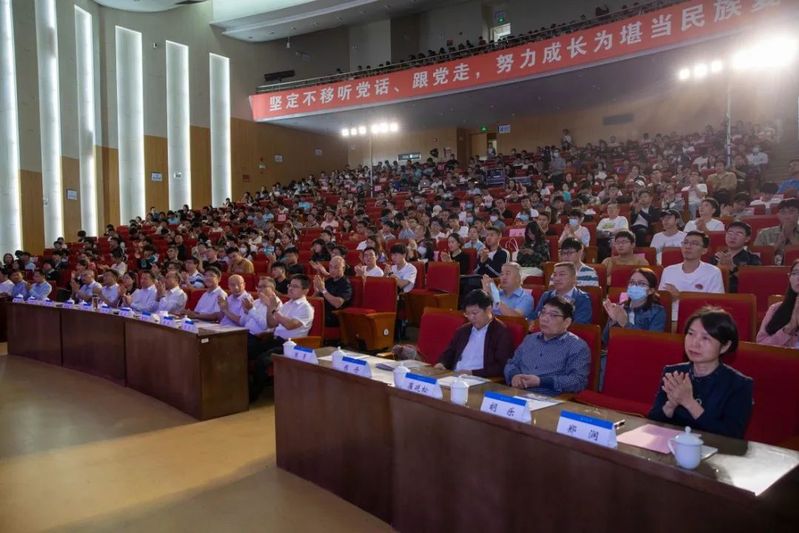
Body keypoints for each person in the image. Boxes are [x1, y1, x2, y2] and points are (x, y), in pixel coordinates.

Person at [648, 307, 753, 439]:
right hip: (671, 446)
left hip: (713, 450)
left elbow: (732, 436)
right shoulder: (674, 373)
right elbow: (652, 422)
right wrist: (670, 406)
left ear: (725, 346)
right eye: (691, 334)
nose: (695, 343)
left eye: (705, 338)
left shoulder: (739, 385)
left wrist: (690, 403)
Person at [504, 296, 591, 396]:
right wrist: (514, 375)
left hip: (548, 399)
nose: (544, 319)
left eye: (553, 315)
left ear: (566, 322)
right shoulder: (530, 339)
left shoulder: (577, 346)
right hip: (517, 393)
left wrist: (540, 381)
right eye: (543, 313)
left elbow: (578, 381)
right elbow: (512, 364)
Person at [250, 274, 315, 402]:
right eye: (290, 285)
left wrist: (274, 310)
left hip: (291, 345)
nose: (290, 288)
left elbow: (290, 325)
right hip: (275, 340)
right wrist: (270, 308)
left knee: (262, 361)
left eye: (295, 286)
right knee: (247, 350)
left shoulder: (306, 308)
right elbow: (271, 324)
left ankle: (253, 395)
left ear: (305, 291)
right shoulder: (287, 304)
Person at [434, 289, 515, 378]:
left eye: (474, 313)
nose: (471, 318)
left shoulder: (500, 333)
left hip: (479, 379)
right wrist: (442, 363)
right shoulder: (463, 331)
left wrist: (473, 373)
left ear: (488, 309)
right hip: (455, 377)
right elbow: (449, 353)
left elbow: (501, 366)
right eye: (467, 314)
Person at [659, 231, 725, 322]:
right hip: (671, 319)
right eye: (685, 242)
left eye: (694, 243)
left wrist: (680, 296)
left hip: (701, 320)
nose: (688, 246)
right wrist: (668, 298)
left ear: (704, 250)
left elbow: (716, 305)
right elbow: (661, 300)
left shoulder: (713, 272)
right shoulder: (668, 271)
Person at [602, 268, 666, 345]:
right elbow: (605, 341)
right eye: (632, 282)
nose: (635, 286)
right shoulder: (620, 307)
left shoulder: (658, 312)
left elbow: (652, 343)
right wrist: (613, 322)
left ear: (650, 291)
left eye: (641, 283)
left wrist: (626, 324)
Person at [757, 259, 799, 347]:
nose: (798, 278)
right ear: (789, 278)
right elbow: (761, 345)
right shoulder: (775, 309)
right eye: (795, 273)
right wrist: (788, 328)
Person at [709, 221, 761, 291]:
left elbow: (753, 281)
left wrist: (733, 267)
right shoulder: (717, 256)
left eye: (739, 234)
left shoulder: (753, 258)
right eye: (730, 233)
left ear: (747, 239)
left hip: (740, 294)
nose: (733, 237)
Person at [754, 198, 799, 265]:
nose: (787, 216)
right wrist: (777, 244)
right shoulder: (764, 234)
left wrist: (791, 237)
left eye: (791, 211)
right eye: (783, 212)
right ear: (778, 215)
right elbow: (755, 259)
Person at [313, 255, 352, 327]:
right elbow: (315, 300)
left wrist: (323, 290)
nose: (332, 270)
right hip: (322, 311)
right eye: (330, 267)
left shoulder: (346, 284)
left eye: (336, 267)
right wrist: (316, 292)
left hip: (334, 316)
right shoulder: (329, 281)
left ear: (343, 268)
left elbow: (338, 303)